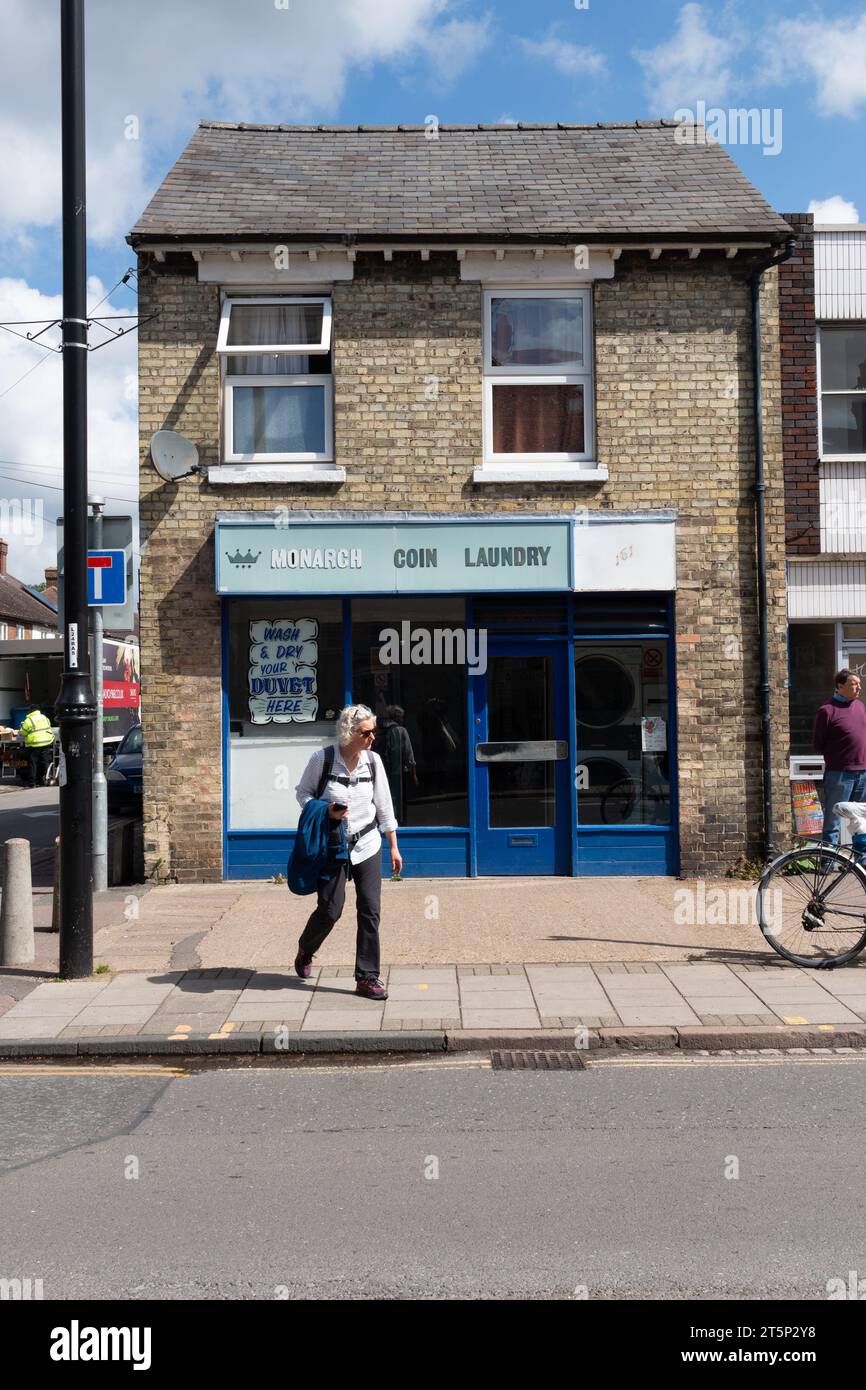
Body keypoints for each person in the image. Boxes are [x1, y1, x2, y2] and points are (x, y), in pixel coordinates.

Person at [293, 704, 401, 1000]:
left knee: (370, 910)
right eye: (366, 733)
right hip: (333, 844)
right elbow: (303, 793)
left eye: (373, 732)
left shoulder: (374, 762)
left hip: (367, 843)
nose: (372, 738)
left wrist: (393, 844)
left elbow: (384, 804)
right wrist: (325, 810)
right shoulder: (323, 759)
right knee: (331, 909)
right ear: (349, 733)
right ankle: (306, 948)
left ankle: (367, 978)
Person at [812, 669, 866, 846]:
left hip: (862, 772)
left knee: (861, 823)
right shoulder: (827, 711)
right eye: (853, 684)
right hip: (839, 774)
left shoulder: (860, 706)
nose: (859, 687)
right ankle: (827, 864)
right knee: (833, 820)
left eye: (859, 683)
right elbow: (818, 744)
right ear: (840, 686)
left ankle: (860, 863)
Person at [375, 704, 417, 821]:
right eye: (402, 717)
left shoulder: (379, 730)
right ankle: (399, 820)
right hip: (398, 773)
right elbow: (409, 755)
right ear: (397, 718)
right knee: (398, 798)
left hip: (381, 771)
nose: (403, 720)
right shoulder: (401, 730)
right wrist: (413, 775)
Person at [19, 706, 55, 789]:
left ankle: (32, 783)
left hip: (34, 744)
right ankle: (48, 780)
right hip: (46, 742)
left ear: (30, 711)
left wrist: (21, 731)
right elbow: (48, 726)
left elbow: (23, 732)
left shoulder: (28, 720)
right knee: (45, 761)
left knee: (33, 763)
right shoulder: (45, 718)